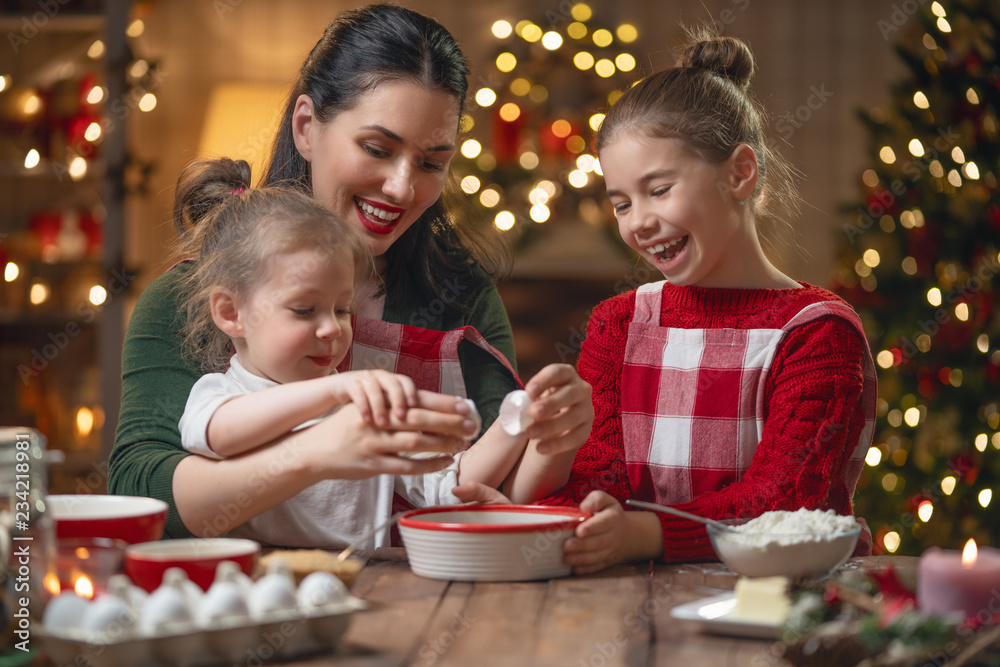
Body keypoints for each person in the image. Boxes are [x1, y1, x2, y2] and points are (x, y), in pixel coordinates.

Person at [110, 4, 592, 547]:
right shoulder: (190, 295)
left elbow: (490, 488)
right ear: (306, 128)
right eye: (377, 149)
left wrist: (551, 433)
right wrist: (315, 452)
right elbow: (143, 496)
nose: (402, 188)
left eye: (432, 163)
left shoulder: (461, 302)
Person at [534, 32, 877, 573]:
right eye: (621, 203)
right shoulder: (618, 324)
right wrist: (581, 511)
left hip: (782, 605)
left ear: (740, 173)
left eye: (659, 189)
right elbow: (593, 476)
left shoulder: (816, 332)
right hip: (638, 601)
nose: (638, 221)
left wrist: (642, 532)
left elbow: (784, 500)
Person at [173, 157, 559, 547]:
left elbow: (447, 487)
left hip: (360, 581)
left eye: (342, 310)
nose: (332, 328)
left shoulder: (365, 407)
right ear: (230, 312)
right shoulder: (220, 395)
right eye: (304, 310)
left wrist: (516, 419)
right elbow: (221, 435)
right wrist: (337, 391)